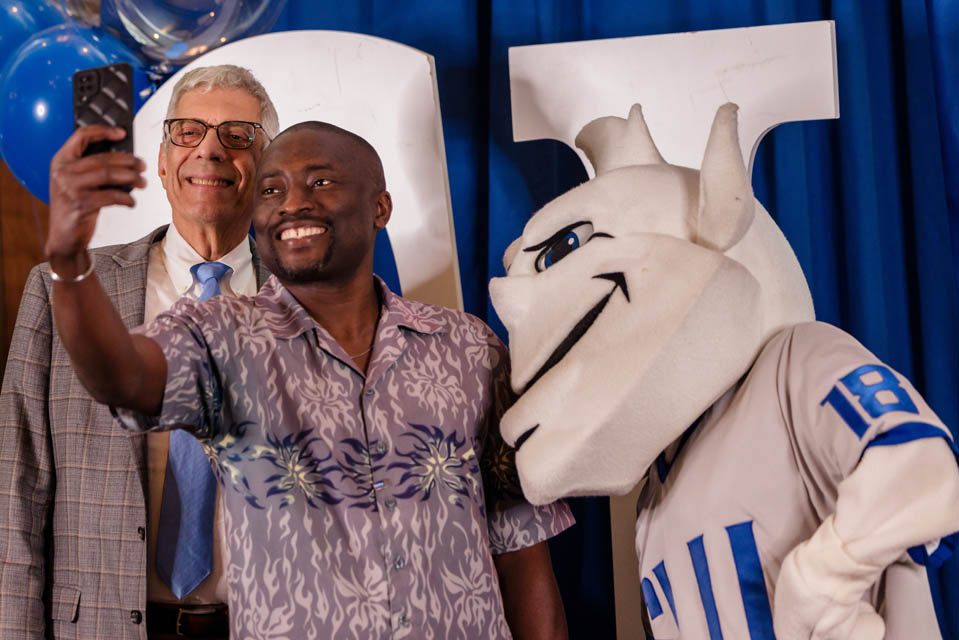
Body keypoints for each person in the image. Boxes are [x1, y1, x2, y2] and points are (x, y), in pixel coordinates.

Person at [43, 120, 575, 639]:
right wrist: (68, 261)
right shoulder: (219, 334)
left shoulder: (469, 348)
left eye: (320, 182)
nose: (292, 202)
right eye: (271, 189)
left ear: (379, 208)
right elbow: (124, 378)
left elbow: (522, 551)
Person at [0, 65, 278, 640]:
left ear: (267, 164)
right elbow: (16, 488)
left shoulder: (304, 302)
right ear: (161, 155)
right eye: (188, 131)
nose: (209, 150)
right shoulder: (62, 289)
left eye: (237, 135)